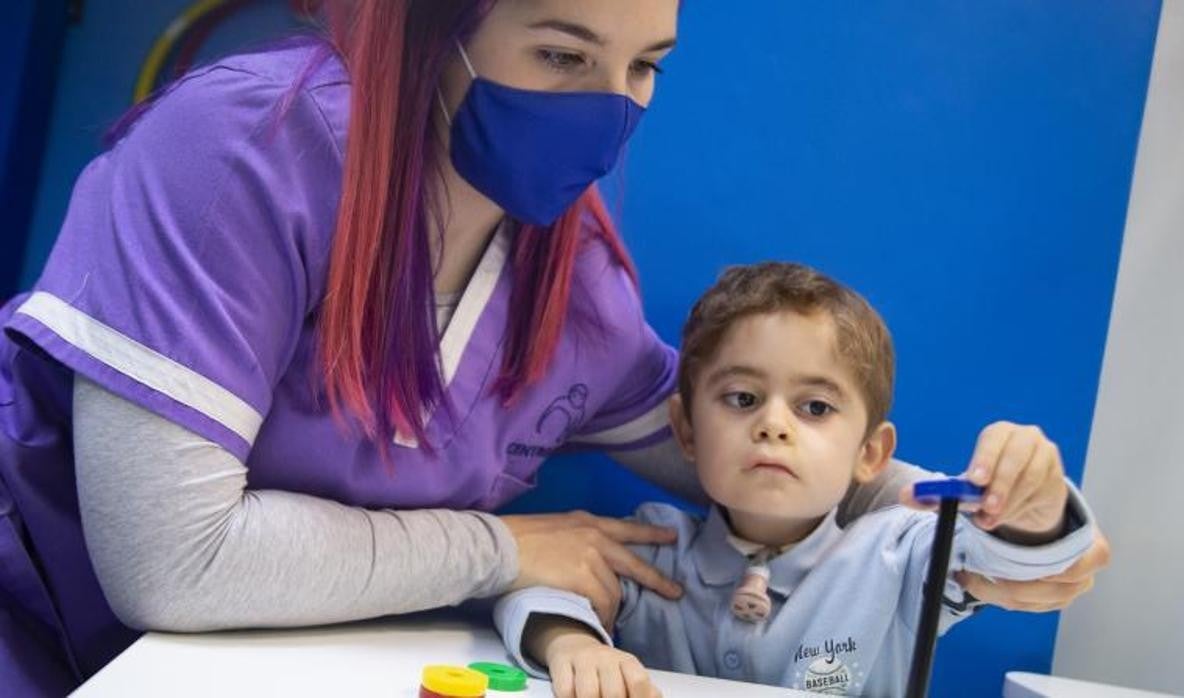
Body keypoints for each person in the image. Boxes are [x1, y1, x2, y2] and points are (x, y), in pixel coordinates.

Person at [0, 1, 1108, 695]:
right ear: (432, 31)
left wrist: (999, 516)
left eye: (645, 66)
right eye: (563, 53)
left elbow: (753, 446)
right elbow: (173, 563)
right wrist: (500, 548)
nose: (609, 110)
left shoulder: (569, 280)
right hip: (35, 623)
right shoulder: (237, 157)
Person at [494, 263, 1097, 697]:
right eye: (742, 398)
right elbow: (538, 591)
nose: (773, 424)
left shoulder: (900, 554)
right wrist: (571, 642)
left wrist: (1032, 500)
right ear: (686, 431)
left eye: (815, 407)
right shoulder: (655, 547)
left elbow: (1003, 554)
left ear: (870, 454)